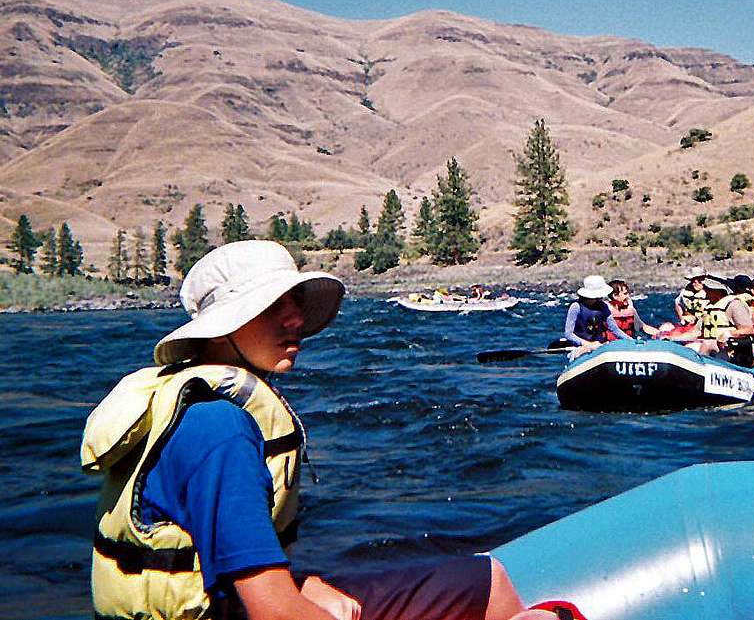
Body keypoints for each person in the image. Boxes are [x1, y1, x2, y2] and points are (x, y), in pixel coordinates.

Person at [81, 240, 559, 620]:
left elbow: (226, 568)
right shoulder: (220, 428)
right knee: (491, 584)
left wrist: (304, 585)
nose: (294, 318)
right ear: (222, 328)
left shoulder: (188, 408)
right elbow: (271, 612)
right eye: (271, 306)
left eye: (294, 303)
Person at [563, 275, 631, 355]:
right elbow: (568, 334)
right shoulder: (576, 307)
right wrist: (588, 344)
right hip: (580, 347)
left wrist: (630, 341)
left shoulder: (603, 306)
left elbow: (614, 329)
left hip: (599, 346)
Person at [692, 276, 754, 360]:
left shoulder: (735, 304)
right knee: (692, 346)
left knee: (707, 343)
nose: (705, 292)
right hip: (715, 346)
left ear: (718, 291)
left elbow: (749, 330)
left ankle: (699, 366)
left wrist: (729, 334)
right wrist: (673, 339)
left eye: (708, 289)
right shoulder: (710, 308)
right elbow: (696, 332)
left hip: (733, 349)